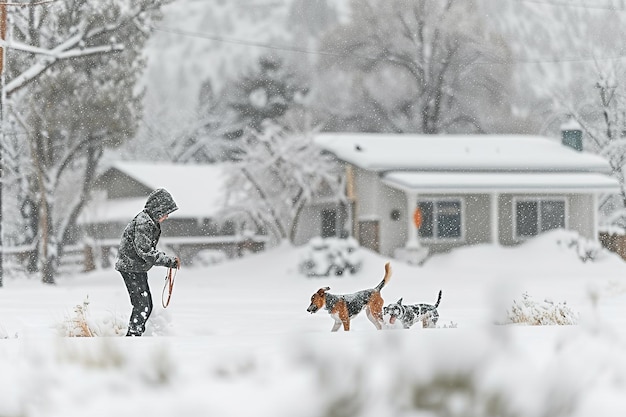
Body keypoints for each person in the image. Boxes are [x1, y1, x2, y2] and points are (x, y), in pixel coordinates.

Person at [115, 188, 180, 337]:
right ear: (158, 209)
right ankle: (133, 336)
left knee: (145, 304)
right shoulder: (144, 223)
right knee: (142, 305)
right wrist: (168, 261)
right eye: (166, 212)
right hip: (131, 267)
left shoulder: (148, 221)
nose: (167, 216)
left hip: (136, 267)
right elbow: (145, 251)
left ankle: (135, 334)